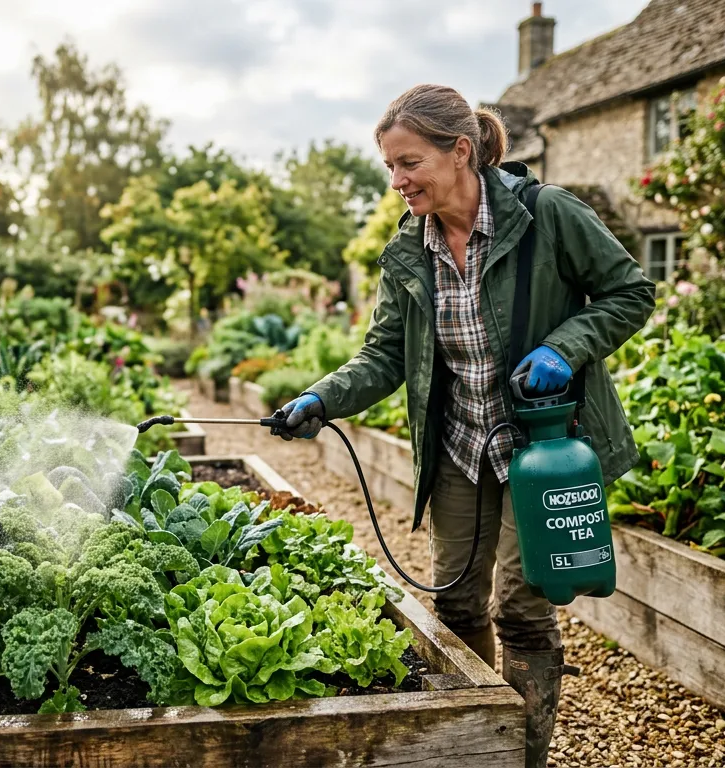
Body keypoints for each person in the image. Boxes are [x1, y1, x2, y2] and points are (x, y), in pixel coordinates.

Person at [271, 84, 654, 766]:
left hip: (540, 448)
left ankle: (525, 754)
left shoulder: (548, 215)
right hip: (458, 447)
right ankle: (478, 747)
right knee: (457, 608)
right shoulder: (408, 250)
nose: (398, 182)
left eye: (408, 163)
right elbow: (384, 353)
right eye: (390, 167)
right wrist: (321, 398)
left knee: (522, 610)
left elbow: (630, 292)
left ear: (460, 152)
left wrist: (565, 346)